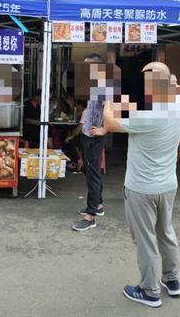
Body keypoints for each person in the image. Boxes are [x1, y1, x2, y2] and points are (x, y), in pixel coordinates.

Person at [92, 62, 180, 308]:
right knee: (166, 232)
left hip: (142, 189)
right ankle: (172, 281)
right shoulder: (177, 108)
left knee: (146, 240)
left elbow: (110, 124)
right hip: (168, 186)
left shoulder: (147, 117)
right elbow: (176, 87)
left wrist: (109, 99)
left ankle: (150, 291)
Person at [72, 53, 108, 232]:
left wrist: (104, 129)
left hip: (96, 134)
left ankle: (90, 216)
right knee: (88, 169)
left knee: (93, 173)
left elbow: (114, 110)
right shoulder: (92, 84)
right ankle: (98, 205)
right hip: (87, 132)